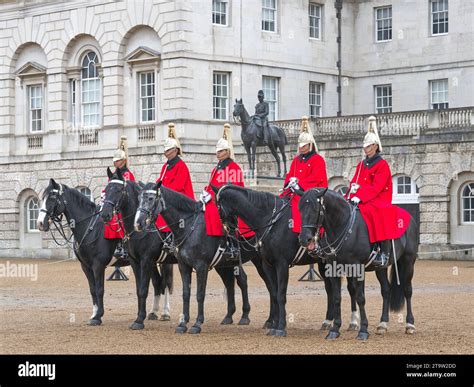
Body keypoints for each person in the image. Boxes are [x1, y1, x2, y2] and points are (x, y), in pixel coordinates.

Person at [346, 116, 410, 268]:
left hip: (378, 198)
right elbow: (355, 180)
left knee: (377, 212)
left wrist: (360, 196)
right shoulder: (362, 164)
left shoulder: (382, 165)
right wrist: (352, 191)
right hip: (361, 197)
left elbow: (377, 187)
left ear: (375, 146)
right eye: (364, 147)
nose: (365, 149)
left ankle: (383, 252)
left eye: (368, 146)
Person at [200, 123, 254, 261]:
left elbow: (235, 189)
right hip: (215, 200)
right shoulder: (216, 168)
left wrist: (219, 197)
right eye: (217, 151)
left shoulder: (234, 167)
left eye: (221, 151)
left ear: (228, 152)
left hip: (229, 203)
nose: (218, 153)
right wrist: (205, 194)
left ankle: (233, 247)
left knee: (229, 218)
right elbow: (211, 185)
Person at [282, 116, 328, 234]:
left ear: (310, 145)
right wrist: (289, 182)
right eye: (300, 145)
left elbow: (317, 178)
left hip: (309, 193)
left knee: (298, 206)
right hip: (294, 191)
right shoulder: (297, 160)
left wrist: (299, 185)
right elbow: (290, 174)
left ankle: (299, 232)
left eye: (304, 145)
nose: (301, 148)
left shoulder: (318, 160)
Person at [155, 123, 195, 245]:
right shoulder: (165, 166)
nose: (166, 153)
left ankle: (172, 238)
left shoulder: (181, 166)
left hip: (179, 200)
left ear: (176, 150)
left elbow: (178, 186)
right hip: (167, 199)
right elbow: (159, 181)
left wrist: (163, 192)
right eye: (165, 151)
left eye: (168, 150)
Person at [103, 136, 135, 259]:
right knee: (107, 217)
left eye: (118, 161)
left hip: (125, 205)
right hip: (114, 203)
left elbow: (130, 190)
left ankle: (123, 245)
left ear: (123, 161)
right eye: (115, 161)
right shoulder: (114, 175)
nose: (116, 163)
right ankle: (112, 245)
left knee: (119, 218)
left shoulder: (128, 174)